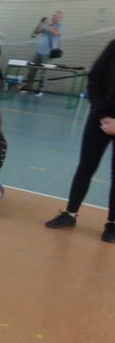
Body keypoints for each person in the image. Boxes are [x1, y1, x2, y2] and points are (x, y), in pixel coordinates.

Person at [45, 40, 115, 243]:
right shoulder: (113, 47)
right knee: (86, 167)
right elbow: (94, 80)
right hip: (100, 119)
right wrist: (103, 116)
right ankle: (70, 214)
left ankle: (112, 224)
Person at [22, 10, 63, 97]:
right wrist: (40, 23)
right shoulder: (46, 24)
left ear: (60, 18)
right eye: (53, 15)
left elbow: (55, 33)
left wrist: (49, 24)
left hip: (47, 53)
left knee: (44, 72)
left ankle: (40, 89)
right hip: (39, 50)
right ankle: (28, 87)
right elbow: (36, 32)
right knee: (32, 69)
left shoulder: (59, 26)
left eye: (56, 16)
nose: (53, 17)